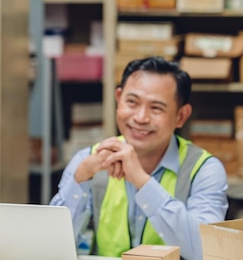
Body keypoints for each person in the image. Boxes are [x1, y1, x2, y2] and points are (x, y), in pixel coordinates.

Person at [50, 56, 228, 260]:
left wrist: (142, 181)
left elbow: (206, 252)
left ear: (181, 116)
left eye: (156, 108)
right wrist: (79, 181)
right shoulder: (88, 160)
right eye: (132, 102)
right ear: (118, 99)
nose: (141, 118)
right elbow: (51, 247)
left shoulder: (204, 169)